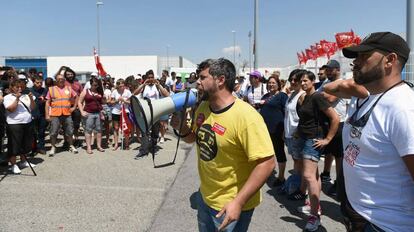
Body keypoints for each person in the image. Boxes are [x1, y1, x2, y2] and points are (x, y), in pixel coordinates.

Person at [171, 58, 275, 232]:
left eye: (203, 77)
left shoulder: (246, 116)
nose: (198, 82)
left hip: (231, 204)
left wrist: (238, 202)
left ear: (220, 80)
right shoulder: (203, 107)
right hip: (205, 197)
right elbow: (194, 139)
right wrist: (180, 127)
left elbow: (267, 163)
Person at [326, 32, 414, 232]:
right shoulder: (371, 98)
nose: (356, 62)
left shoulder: (404, 108)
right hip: (359, 217)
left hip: (386, 225)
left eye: (364, 56)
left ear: (390, 60)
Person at [295, 71, 339, 231]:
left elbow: (335, 118)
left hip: (313, 140)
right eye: (301, 81)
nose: (303, 83)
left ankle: (315, 216)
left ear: (313, 81)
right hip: (305, 138)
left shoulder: (317, 97)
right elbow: (306, 119)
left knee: (308, 176)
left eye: (306, 80)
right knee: (314, 175)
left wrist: (327, 139)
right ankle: (313, 206)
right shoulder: (305, 97)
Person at [259, 74, 288, 186]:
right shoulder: (265, 96)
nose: (271, 85)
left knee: (279, 152)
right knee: (267, 152)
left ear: (278, 85)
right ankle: (267, 171)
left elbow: (287, 113)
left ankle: (281, 177)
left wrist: (285, 130)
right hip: (265, 130)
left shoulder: (282, 96)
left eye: (273, 83)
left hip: (277, 130)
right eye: (269, 83)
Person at [134, 70, 169, 157]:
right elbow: (134, 94)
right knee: (144, 131)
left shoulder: (157, 86)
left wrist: (159, 85)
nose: (150, 79)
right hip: (146, 113)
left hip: (156, 112)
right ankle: (144, 149)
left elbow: (167, 94)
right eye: (148, 77)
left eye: (151, 77)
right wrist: (143, 84)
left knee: (155, 132)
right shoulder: (144, 87)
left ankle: (153, 146)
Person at [4, 79, 36, 174]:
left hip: (27, 122)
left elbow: (32, 107)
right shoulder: (8, 97)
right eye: (17, 87)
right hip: (14, 124)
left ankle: (23, 161)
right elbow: (11, 109)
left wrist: (30, 98)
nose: (19, 88)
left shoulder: (25, 96)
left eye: (21, 87)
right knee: (14, 145)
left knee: (26, 143)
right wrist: (17, 98)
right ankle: (13, 165)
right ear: (12, 87)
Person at [45, 74, 79, 156]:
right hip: (55, 114)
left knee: (70, 131)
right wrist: (47, 115)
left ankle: (71, 145)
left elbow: (76, 96)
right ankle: (53, 147)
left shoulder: (69, 88)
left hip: (67, 113)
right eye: (59, 79)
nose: (61, 80)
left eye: (62, 78)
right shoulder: (51, 89)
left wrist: (74, 107)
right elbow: (47, 103)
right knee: (53, 132)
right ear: (56, 80)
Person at [78, 77, 105, 154]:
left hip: (98, 113)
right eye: (94, 85)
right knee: (88, 130)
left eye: (97, 85)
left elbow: (102, 103)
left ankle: (99, 146)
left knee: (99, 130)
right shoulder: (85, 91)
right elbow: (79, 102)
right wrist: (82, 111)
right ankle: (89, 147)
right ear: (91, 84)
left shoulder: (99, 92)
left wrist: (104, 99)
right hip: (88, 114)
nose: (96, 86)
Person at [110, 79, 132, 150]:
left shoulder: (128, 92)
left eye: (123, 86)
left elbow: (131, 102)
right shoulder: (114, 92)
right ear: (117, 86)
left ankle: (126, 144)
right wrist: (117, 100)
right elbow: (111, 102)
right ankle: (116, 144)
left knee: (126, 128)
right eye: (120, 86)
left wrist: (124, 100)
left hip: (125, 112)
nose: (122, 87)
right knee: (116, 128)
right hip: (116, 112)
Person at [64, 67, 83, 147]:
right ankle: (66, 141)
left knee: (76, 125)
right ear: (65, 75)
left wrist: (81, 105)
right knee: (66, 125)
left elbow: (82, 95)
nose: (70, 75)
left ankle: (76, 140)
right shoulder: (63, 83)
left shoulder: (78, 84)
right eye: (68, 74)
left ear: (73, 74)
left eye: (71, 74)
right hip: (66, 107)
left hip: (77, 107)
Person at [30, 75, 48, 155]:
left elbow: (49, 101)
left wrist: (45, 101)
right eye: (37, 83)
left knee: (42, 131)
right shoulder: (29, 91)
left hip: (42, 114)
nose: (39, 84)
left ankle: (41, 147)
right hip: (32, 114)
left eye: (41, 83)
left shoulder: (45, 90)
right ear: (33, 82)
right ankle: (33, 149)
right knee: (33, 133)